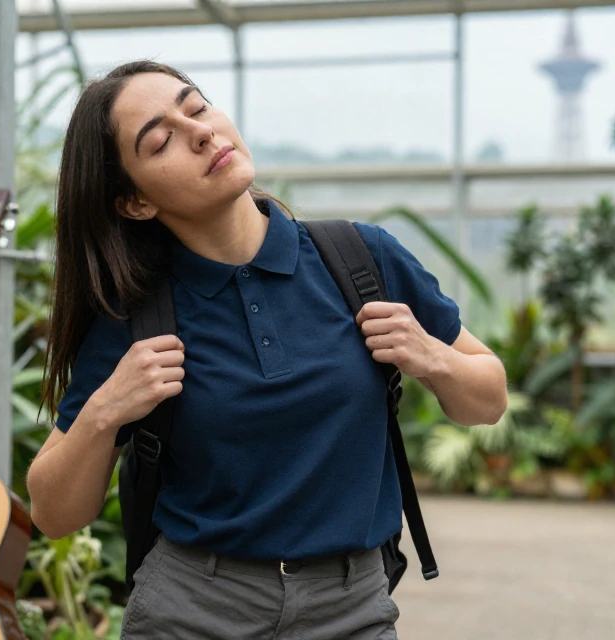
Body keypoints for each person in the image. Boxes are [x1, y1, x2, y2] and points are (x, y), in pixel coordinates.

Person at [26, 60, 509, 639]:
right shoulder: (138, 319)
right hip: (192, 613)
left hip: (352, 610)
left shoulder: (361, 259)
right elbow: (54, 514)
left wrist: (433, 356)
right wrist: (105, 411)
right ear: (136, 203)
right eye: (162, 140)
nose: (200, 131)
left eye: (197, 107)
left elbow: (490, 398)